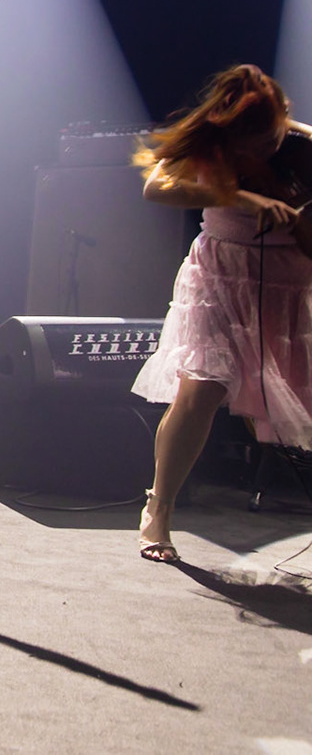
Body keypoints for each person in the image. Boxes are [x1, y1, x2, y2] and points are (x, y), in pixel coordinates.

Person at [132, 63, 312, 563]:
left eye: (270, 139)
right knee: (202, 388)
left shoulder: (304, 144)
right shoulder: (210, 143)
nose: (263, 153)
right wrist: (241, 196)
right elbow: (157, 187)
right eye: (252, 146)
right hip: (220, 277)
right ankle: (158, 511)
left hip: (289, 285)